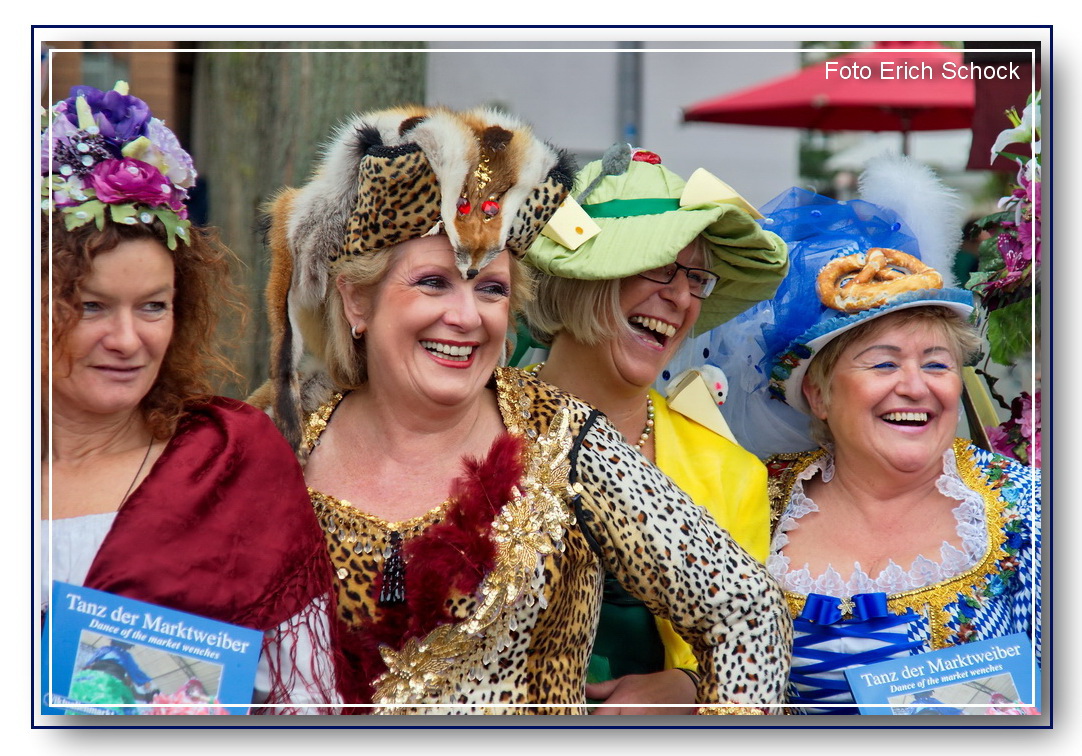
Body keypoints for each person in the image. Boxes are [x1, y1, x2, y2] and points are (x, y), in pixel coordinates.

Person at [252, 105, 792, 715]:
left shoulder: (562, 438)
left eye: (491, 288)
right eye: (434, 282)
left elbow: (748, 614)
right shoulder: (278, 434)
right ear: (356, 299)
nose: (465, 316)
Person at [41, 83, 338, 714]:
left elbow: (306, 702)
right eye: (90, 305)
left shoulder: (231, 461)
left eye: (153, 306)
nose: (127, 340)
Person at [713, 156, 1041, 715]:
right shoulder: (751, 505)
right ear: (817, 393)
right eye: (884, 365)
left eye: (936, 365)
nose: (916, 387)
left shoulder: (1028, 512)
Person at [520, 145, 789, 714]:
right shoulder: (473, 424)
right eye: (661, 265)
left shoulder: (732, 472)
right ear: (584, 275)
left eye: (696, 277)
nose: (682, 296)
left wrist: (688, 688)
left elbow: (753, 649)